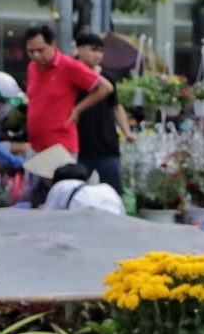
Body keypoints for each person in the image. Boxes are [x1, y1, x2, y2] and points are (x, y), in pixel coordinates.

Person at [23, 23, 112, 156]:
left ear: (52, 45)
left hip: (61, 146)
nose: (36, 55)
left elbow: (105, 87)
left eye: (40, 50)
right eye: (31, 51)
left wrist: (78, 109)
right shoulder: (32, 67)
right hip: (35, 145)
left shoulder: (68, 65)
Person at [72, 32, 129, 191]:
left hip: (106, 146)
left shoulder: (107, 77)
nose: (97, 55)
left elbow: (116, 106)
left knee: (113, 193)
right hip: (79, 147)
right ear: (80, 49)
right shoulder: (71, 75)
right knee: (74, 192)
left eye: (100, 51)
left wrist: (127, 131)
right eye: (93, 50)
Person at [43, 162, 126, 215]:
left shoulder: (60, 186)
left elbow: (49, 218)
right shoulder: (106, 188)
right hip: (114, 218)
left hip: (83, 216)